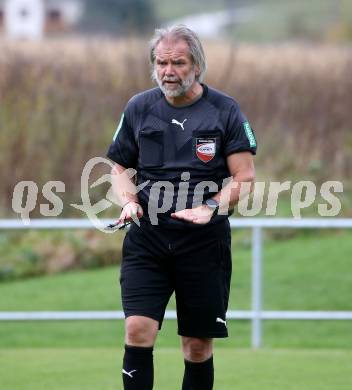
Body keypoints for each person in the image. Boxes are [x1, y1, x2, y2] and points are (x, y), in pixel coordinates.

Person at [107, 24, 256, 390]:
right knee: (138, 329)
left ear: (197, 66)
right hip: (148, 238)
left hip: (204, 243)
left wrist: (211, 207)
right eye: (161, 63)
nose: (168, 71)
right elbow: (119, 168)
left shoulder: (225, 110)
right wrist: (128, 201)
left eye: (178, 63)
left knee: (196, 346)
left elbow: (245, 177)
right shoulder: (139, 106)